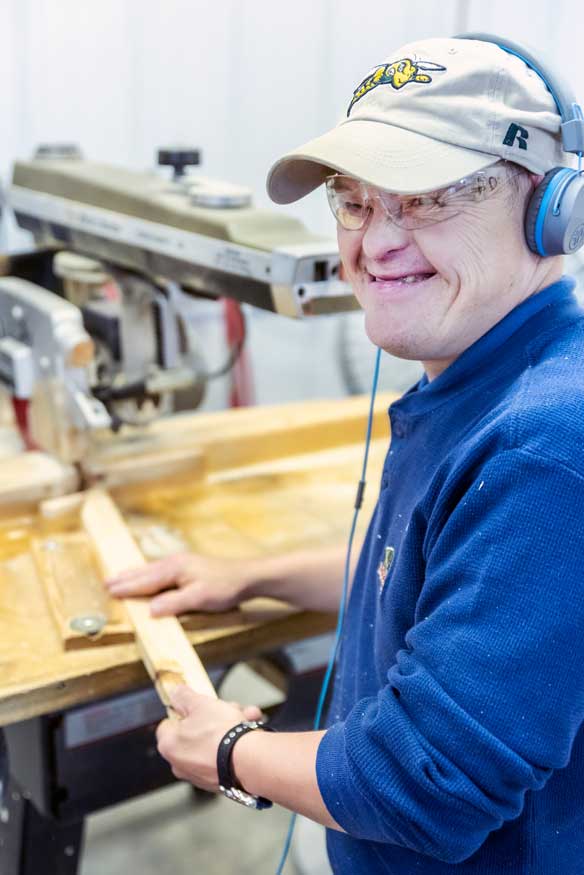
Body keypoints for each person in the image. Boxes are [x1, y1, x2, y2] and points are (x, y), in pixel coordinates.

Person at [105, 35, 584, 873]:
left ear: (551, 210)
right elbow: (433, 571)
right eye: (354, 202)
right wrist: (252, 577)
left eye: (427, 199)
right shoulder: (478, 381)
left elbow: (425, 780)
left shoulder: (540, 446)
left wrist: (232, 751)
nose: (374, 243)